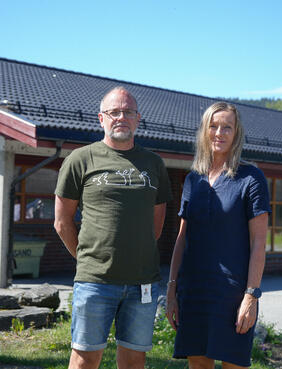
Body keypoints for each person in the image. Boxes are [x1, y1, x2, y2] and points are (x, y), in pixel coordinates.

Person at [54, 86, 172, 369]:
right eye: (114, 112)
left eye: (128, 112)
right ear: (101, 118)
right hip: (95, 283)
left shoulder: (153, 163)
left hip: (142, 282)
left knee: (134, 361)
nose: (122, 117)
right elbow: (61, 222)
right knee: (84, 359)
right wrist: (88, 259)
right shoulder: (80, 159)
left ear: (138, 119)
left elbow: (157, 222)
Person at [166, 101, 271, 369]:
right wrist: (172, 290)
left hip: (232, 293)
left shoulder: (251, 178)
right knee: (198, 364)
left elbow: (259, 243)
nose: (219, 133)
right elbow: (182, 240)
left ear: (237, 133)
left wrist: (251, 295)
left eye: (227, 127)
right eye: (213, 126)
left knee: (233, 364)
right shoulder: (193, 180)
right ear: (204, 131)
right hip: (194, 291)